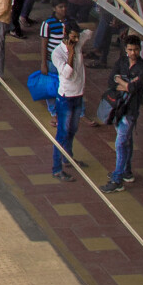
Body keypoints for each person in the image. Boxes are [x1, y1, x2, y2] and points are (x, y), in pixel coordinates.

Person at [104, 36, 143, 190]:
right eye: (130, 49)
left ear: (140, 49)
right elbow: (111, 82)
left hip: (131, 110)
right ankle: (127, 172)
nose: (133, 53)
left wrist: (122, 81)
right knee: (127, 141)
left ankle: (117, 179)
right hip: (118, 108)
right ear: (125, 49)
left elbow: (134, 88)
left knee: (121, 143)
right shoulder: (121, 62)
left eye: (136, 49)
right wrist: (128, 84)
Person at [47, 19, 83, 180]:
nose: (76, 41)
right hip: (65, 99)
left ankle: (67, 158)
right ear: (65, 36)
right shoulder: (58, 54)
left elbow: (90, 32)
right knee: (62, 133)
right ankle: (56, 168)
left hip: (78, 96)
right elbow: (67, 73)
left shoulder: (78, 43)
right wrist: (71, 54)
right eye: (73, 37)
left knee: (72, 129)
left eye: (77, 37)